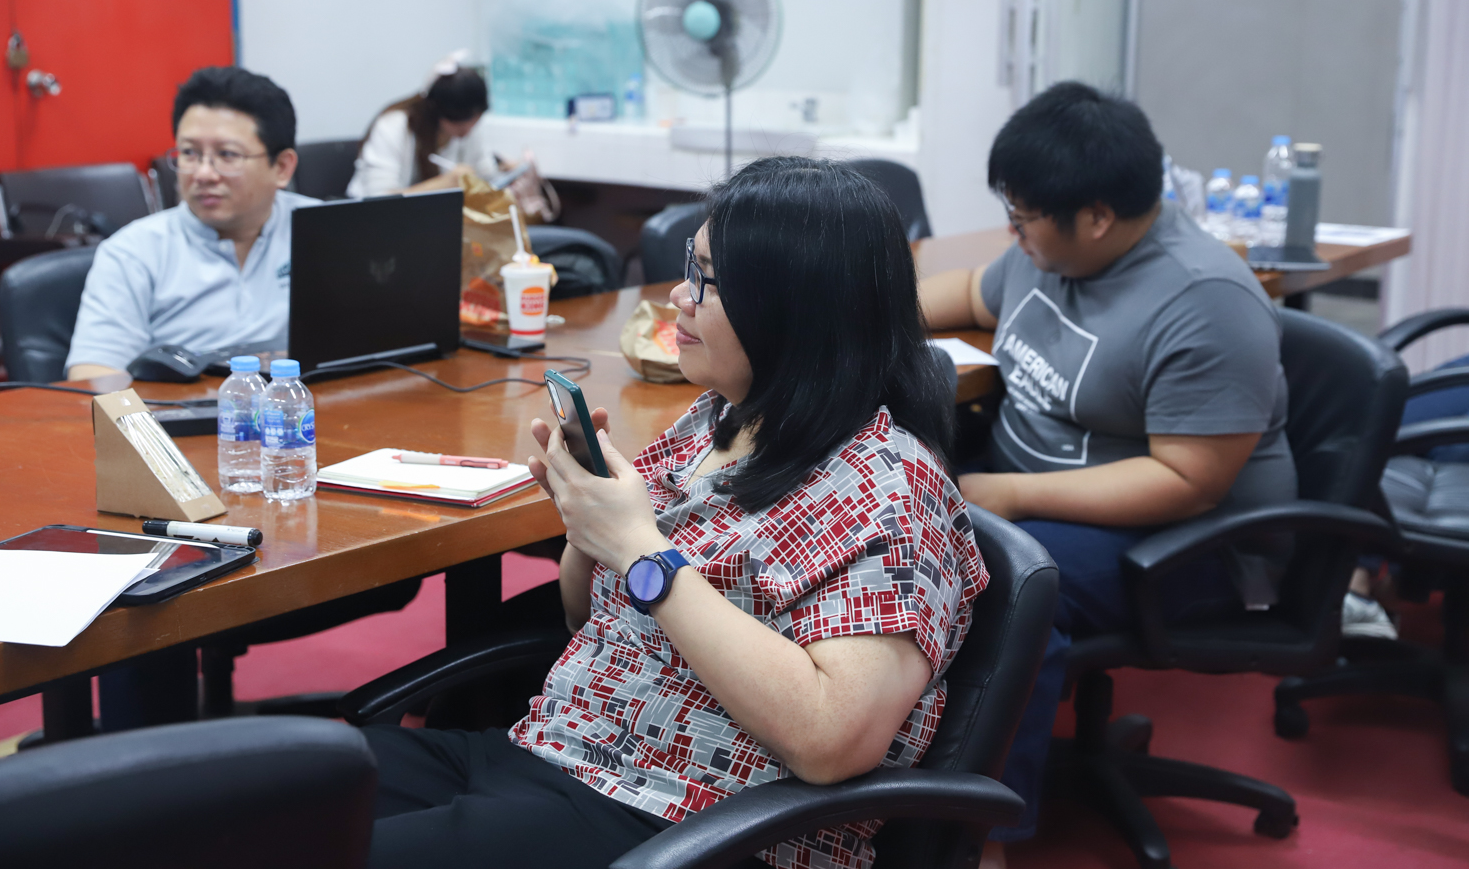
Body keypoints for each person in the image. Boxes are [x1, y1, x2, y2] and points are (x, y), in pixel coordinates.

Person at [360, 156, 990, 869]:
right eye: (689, 269)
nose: (678, 298)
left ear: (795, 306)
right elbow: (584, 617)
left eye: (706, 281)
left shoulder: (890, 491)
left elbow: (831, 740)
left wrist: (640, 549)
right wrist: (590, 524)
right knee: (295, 791)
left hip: (680, 820)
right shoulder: (718, 420)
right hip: (558, 752)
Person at [918, 82, 1297, 861]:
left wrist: (1008, 495)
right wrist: (847, 316)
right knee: (888, 514)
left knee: (1007, 583)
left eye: (1024, 217)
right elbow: (967, 295)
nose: (1013, 232)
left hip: (1197, 539)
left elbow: (1190, 479)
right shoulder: (1053, 252)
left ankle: (979, 838)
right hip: (1046, 491)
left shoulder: (1206, 302)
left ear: (1096, 216)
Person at [65, 66, 315, 380]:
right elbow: (92, 373)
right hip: (177, 409)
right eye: (189, 153)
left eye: (227, 155)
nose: (203, 174)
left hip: (307, 404)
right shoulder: (133, 253)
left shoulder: (324, 231)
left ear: (281, 167)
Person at [346, 50, 555, 219]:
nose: (468, 131)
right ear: (437, 112)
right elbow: (378, 202)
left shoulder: (468, 129)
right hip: (376, 224)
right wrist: (445, 183)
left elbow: (484, 175)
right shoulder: (393, 127)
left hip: (433, 222)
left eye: (475, 122)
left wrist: (504, 171)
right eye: (460, 124)